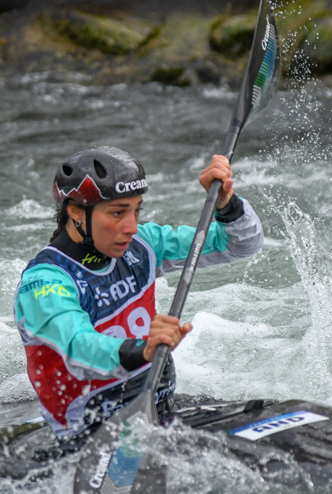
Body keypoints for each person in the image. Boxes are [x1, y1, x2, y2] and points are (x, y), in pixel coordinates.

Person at [14, 146, 264, 441]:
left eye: (136, 210)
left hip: (157, 411)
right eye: (118, 213)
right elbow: (80, 350)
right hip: (89, 436)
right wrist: (144, 349)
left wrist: (226, 204)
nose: (131, 227)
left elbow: (239, 245)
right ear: (76, 212)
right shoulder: (44, 282)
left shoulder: (143, 245)